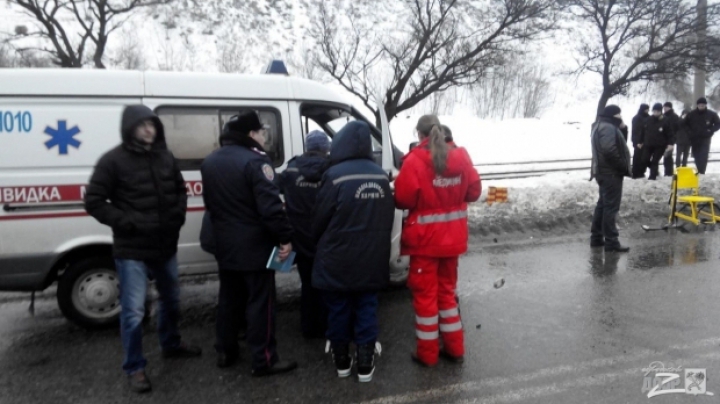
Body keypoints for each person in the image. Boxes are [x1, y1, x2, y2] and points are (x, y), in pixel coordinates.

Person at [85, 105, 201, 394]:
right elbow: (94, 201)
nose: (149, 129)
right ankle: (135, 367)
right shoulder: (112, 161)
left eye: (152, 124)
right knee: (134, 311)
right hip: (132, 248)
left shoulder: (165, 156)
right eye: (142, 125)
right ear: (130, 128)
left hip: (165, 245)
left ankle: (171, 344)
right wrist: (126, 222)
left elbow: (179, 189)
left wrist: (178, 216)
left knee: (172, 299)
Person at [201, 111, 297, 376]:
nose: (264, 137)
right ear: (251, 134)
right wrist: (285, 237)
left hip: (223, 244)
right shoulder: (257, 162)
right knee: (260, 303)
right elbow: (270, 209)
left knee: (229, 299)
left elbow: (211, 205)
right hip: (253, 246)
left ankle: (225, 351)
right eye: (261, 132)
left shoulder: (210, 161)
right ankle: (264, 359)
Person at [394, 115, 481, 367]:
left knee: (425, 298)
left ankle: (427, 354)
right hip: (452, 241)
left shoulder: (416, 160)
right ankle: (455, 349)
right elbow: (474, 192)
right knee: (446, 294)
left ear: (420, 135)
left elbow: (403, 199)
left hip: (425, 244)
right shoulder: (461, 156)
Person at [312, 121, 394, 382]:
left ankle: (342, 362)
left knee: (338, 307)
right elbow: (387, 217)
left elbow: (319, 218)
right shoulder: (381, 175)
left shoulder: (334, 175)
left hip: (338, 257)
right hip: (371, 256)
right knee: (367, 306)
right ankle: (365, 364)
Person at [278, 130, 330, 339]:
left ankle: (308, 327)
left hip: (299, 237)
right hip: (324, 235)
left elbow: (275, 190)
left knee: (307, 283)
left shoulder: (290, 169)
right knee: (326, 282)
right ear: (326, 148)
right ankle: (326, 325)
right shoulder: (331, 170)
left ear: (307, 147)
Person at [590, 105, 632, 253]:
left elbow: (619, 143)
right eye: (619, 115)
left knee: (602, 205)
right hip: (611, 173)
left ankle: (596, 238)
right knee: (610, 208)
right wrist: (621, 166)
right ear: (614, 115)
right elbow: (610, 150)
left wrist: (623, 128)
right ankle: (611, 242)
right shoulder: (608, 128)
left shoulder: (599, 126)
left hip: (602, 172)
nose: (621, 117)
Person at [684, 97, 720, 174]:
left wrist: (711, 130)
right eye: (700, 105)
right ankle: (699, 169)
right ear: (697, 105)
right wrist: (689, 132)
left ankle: (702, 171)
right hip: (694, 138)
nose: (701, 106)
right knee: (696, 155)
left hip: (705, 138)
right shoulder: (692, 114)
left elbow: (718, 124)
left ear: (705, 105)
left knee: (703, 155)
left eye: (703, 105)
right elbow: (685, 124)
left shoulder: (711, 114)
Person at [639, 103, 674, 180]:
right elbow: (643, 131)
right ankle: (655, 171)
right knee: (644, 159)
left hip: (660, 145)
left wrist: (670, 143)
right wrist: (640, 141)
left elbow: (670, 133)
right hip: (648, 144)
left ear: (660, 111)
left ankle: (652, 176)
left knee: (655, 160)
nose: (655, 113)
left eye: (657, 111)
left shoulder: (665, 120)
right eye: (654, 111)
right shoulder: (648, 119)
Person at [631, 104, 649, 179]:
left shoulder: (648, 117)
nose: (647, 111)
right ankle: (636, 173)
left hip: (646, 140)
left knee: (644, 157)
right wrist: (637, 142)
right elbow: (636, 131)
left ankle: (642, 172)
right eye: (646, 109)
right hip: (638, 141)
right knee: (637, 157)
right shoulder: (637, 118)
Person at [662, 102, 681, 176]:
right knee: (665, 156)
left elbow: (678, 128)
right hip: (662, 138)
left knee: (668, 156)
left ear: (670, 107)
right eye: (664, 107)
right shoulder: (663, 116)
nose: (665, 108)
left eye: (666, 107)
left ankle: (669, 172)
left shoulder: (674, 117)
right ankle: (667, 172)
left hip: (670, 139)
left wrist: (674, 138)